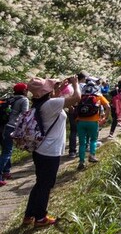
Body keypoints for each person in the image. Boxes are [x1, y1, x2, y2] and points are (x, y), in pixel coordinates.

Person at [23, 76, 80, 227]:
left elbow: (53, 97)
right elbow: (77, 98)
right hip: (50, 151)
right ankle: (40, 217)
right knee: (46, 184)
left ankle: (29, 215)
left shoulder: (39, 104)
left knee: (40, 183)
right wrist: (75, 83)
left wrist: (60, 87)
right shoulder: (51, 104)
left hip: (40, 150)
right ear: (45, 92)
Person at [76, 82, 110, 170]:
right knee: (93, 140)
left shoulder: (81, 97)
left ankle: (81, 162)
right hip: (93, 122)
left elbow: (74, 106)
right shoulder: (98, 96)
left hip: (80, 122)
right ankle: (92, 156)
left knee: (82, 143)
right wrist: (105, 118)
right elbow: (108, 107)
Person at [0, 83, 29, 186]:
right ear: (24, 91)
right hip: (11, 127)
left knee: (5, 150)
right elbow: (25, 114)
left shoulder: (9, 99)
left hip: (2, 126)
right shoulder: (24, 100)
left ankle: (6, 172)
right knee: (7, 151)